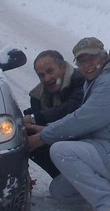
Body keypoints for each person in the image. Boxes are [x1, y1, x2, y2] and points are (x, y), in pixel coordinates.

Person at [27, 37, 110, 211]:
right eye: (82, 61)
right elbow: (85, 123)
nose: (87, 65)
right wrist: (47, 130)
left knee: (61, 151)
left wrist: (44, 136)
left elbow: (82, 119)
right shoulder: (96, 80)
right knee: (60, 191)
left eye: (91, 58)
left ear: (104, 55)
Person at [23, 49, 86, 178]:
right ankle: (62, 178)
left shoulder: (81, 81)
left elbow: (70, 108)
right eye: (41, 75)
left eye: (50, 71)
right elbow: (44, 112)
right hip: (63, 136)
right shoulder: (38, 96)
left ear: (62, 66)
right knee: (22, 136)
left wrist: (34, 118)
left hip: (87, 139)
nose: (46, 78)